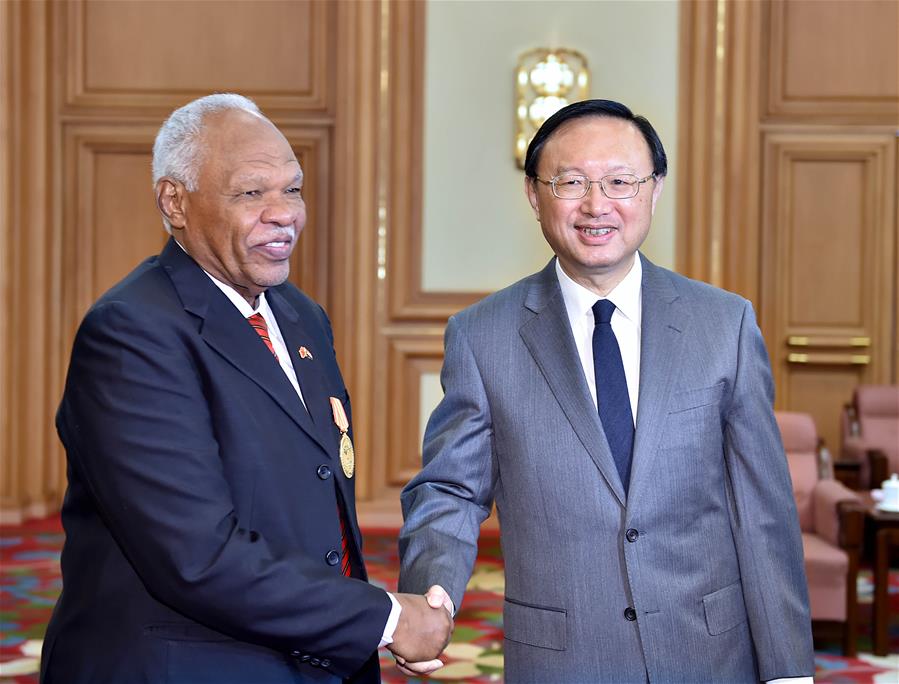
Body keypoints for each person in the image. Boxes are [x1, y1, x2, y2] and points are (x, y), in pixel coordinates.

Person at [397, 99, 814, 682]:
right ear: (534, 193)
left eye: (620, 181)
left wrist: (789, 667)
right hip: (562, 658)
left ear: (655, 189)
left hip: (708, 653)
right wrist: (428, 599)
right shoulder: (482, 337)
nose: (597, 205)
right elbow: (452, 491)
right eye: (571, 182)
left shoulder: (724, 325)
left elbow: (761, 510)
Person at [41, 93, 451, 684]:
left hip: (310, 654)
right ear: (174, 202)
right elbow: (196, 556)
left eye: (293, 189)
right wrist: (386, 620)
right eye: (251, 193)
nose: (284, 213)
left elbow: (319, 500)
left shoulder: (300, 315)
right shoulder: (133, 331)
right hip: (186, 664)